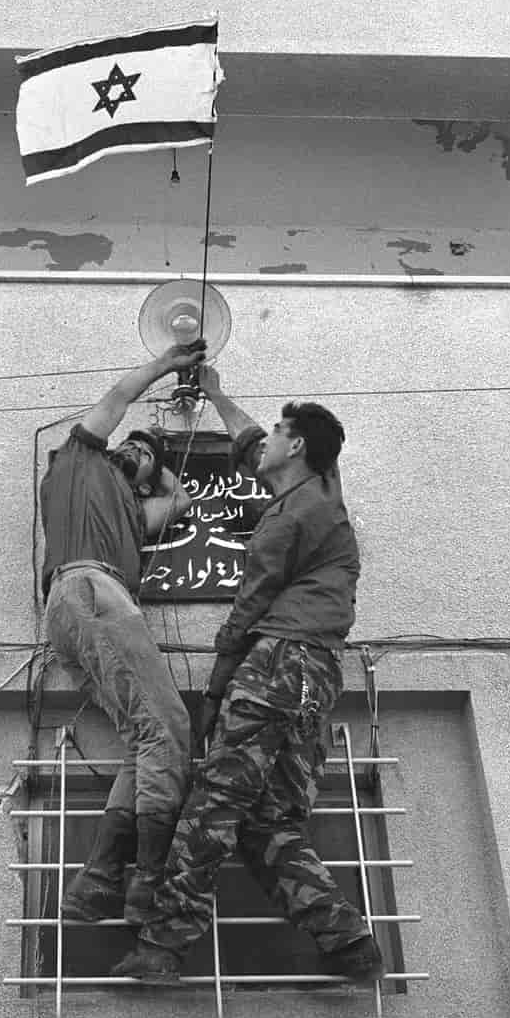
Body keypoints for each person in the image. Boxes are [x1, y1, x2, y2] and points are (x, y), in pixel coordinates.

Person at [112, 363, 383, 981]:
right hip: (317, 680)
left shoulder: (283, 523)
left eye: (280, 432)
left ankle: (161, 946)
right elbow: (250, 441)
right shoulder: (322, 492)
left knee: (214, 804)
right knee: (270, 824)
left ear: (297, 447)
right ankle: (348, 943)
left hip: (278, 664)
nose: (267, 441)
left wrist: (215, 688)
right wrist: (210, 390)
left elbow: (248, 609)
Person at [40, 339, 206, 926]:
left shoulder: (133, 513)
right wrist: (168, 365)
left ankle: (99, 881)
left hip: (83, 608)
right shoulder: (80, 461)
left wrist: (155, 465)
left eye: (146, 452)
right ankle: (149, 882)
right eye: (130, 444)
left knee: (149, 737)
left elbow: (181, 499)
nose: (137, 449)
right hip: (91, 589)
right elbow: (115, 400)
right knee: (173, 727)